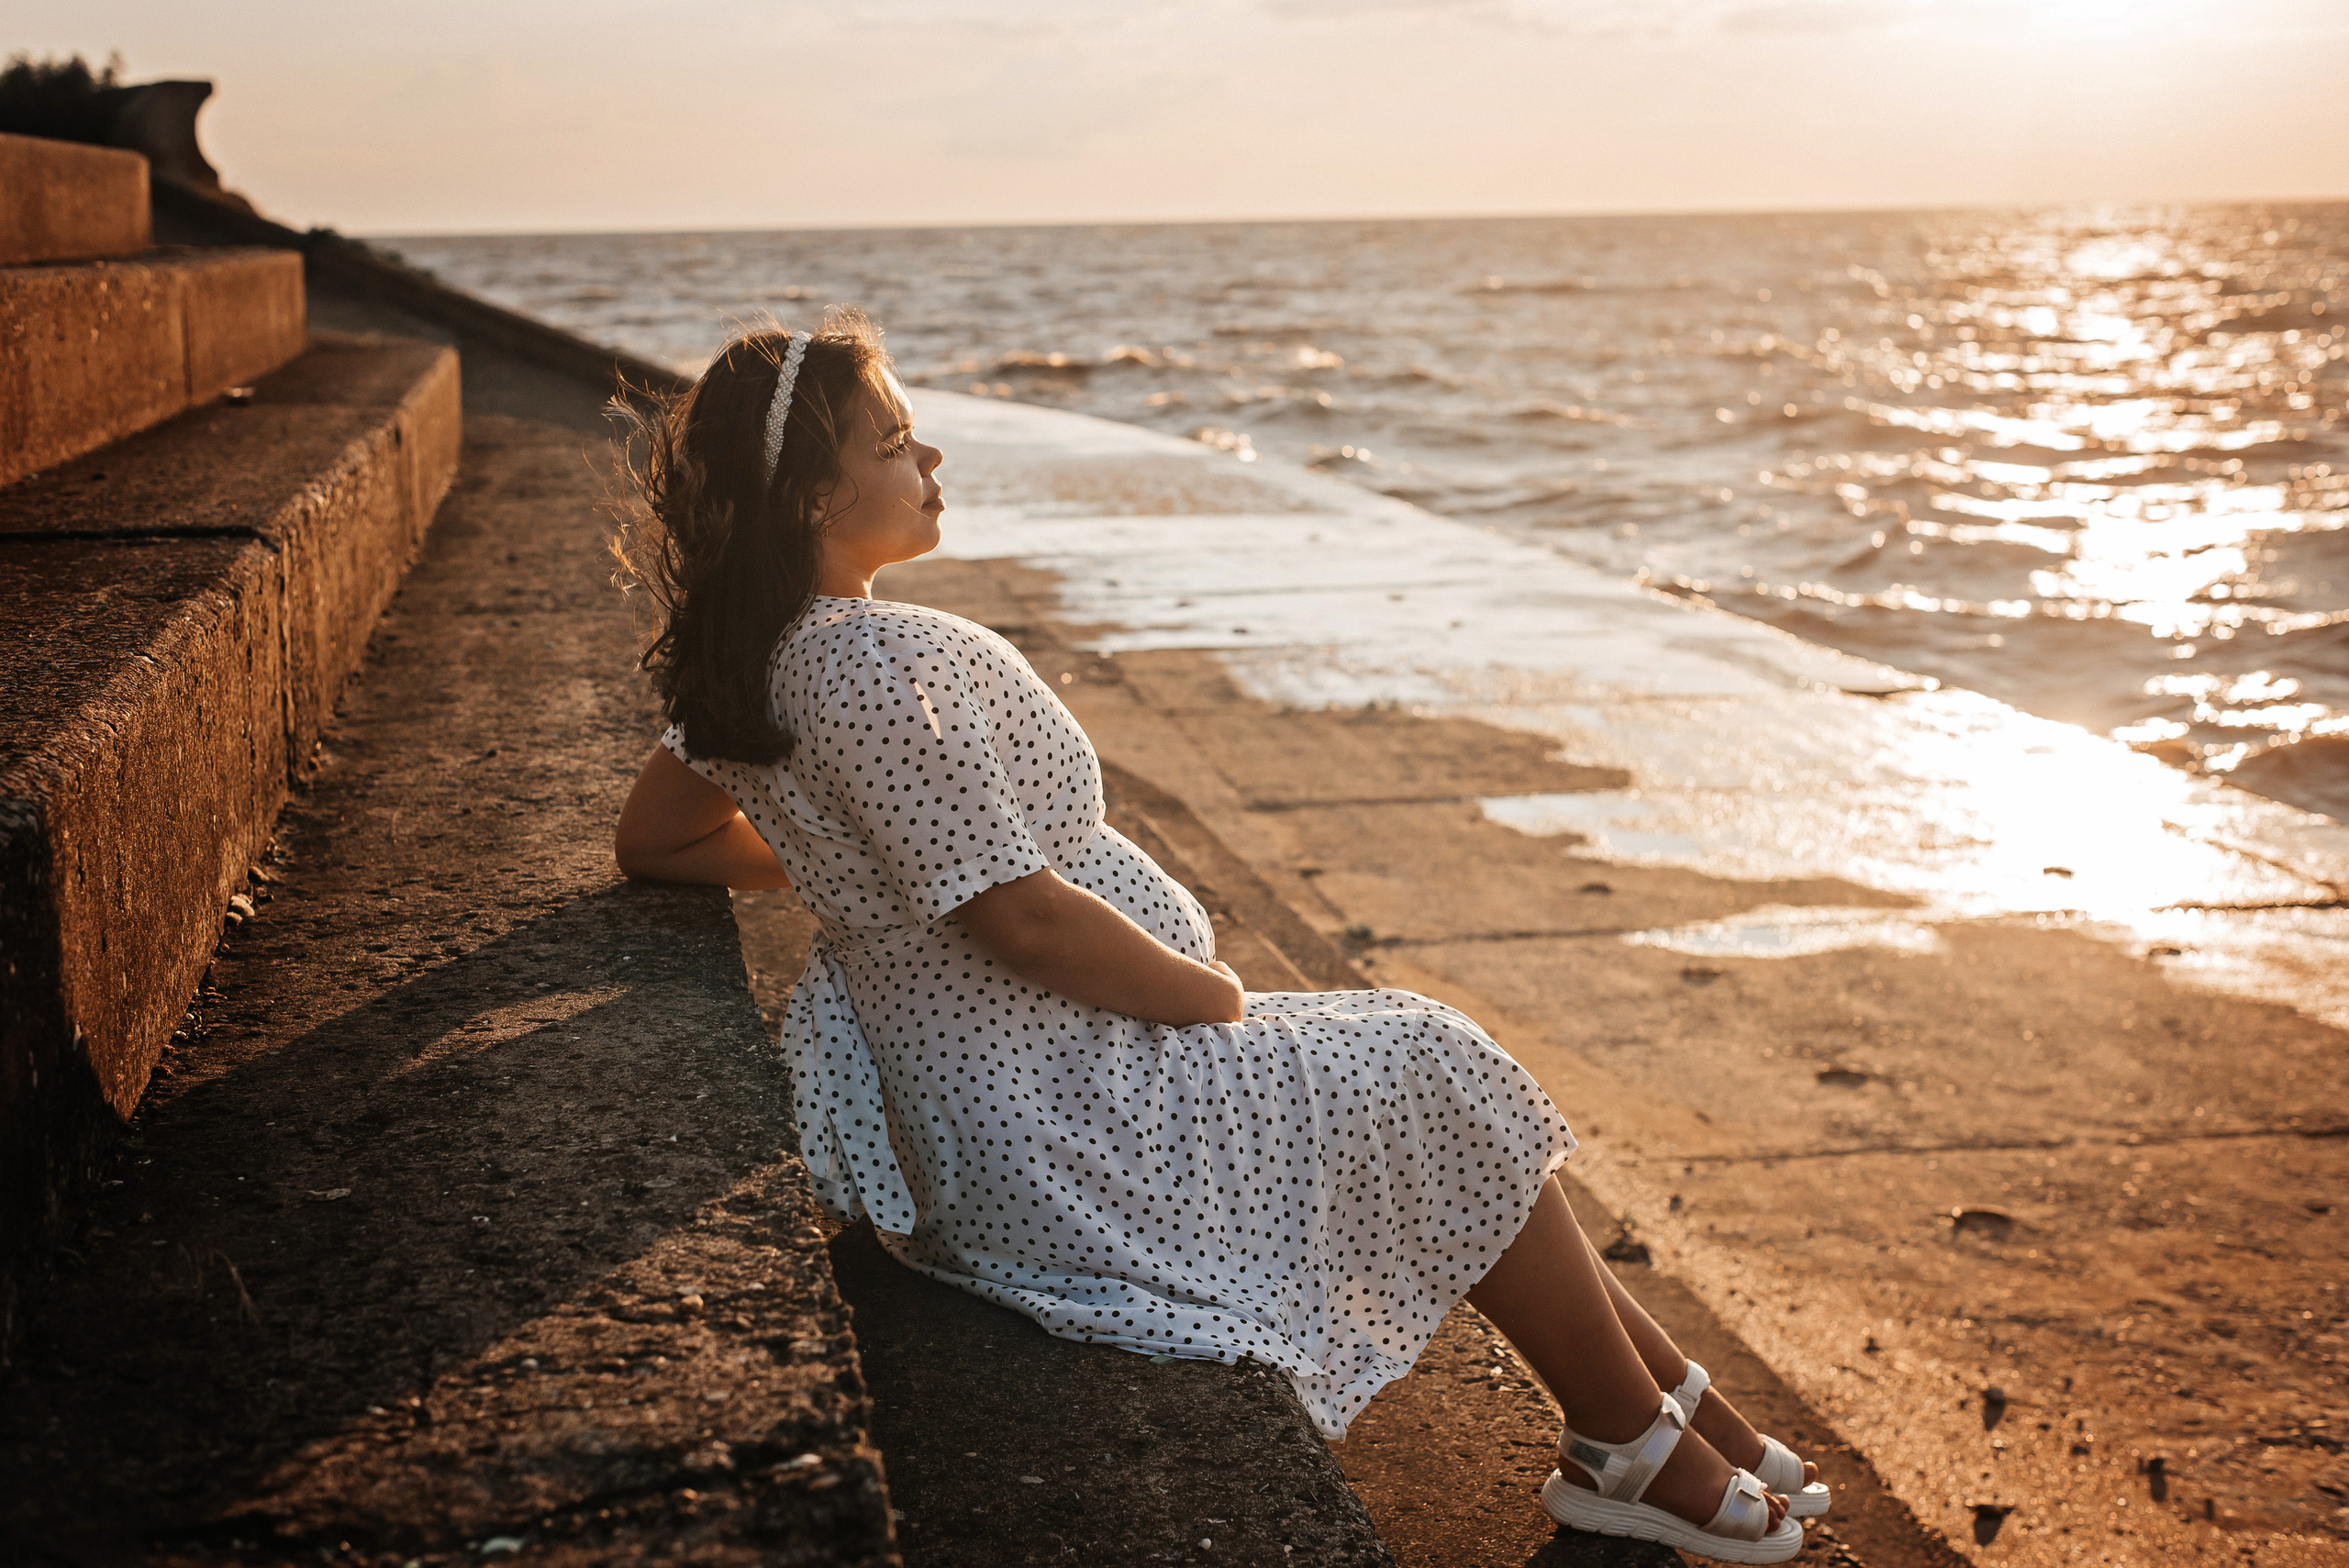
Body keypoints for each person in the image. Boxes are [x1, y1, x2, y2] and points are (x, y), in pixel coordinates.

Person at [611, 314, 1826, 1562]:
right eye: (893, 443)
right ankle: (1629, 1445)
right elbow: (1022, 918)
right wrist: (1207, 997)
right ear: (812, 495)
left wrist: (868, 867)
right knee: (1427, 1058)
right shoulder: (866, 659)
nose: (930, 461)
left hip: (1012, 1093)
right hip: (1061, 1115)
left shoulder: (765, 657)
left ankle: (1673, 1409)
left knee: (1432, 1085)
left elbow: (658, 837)